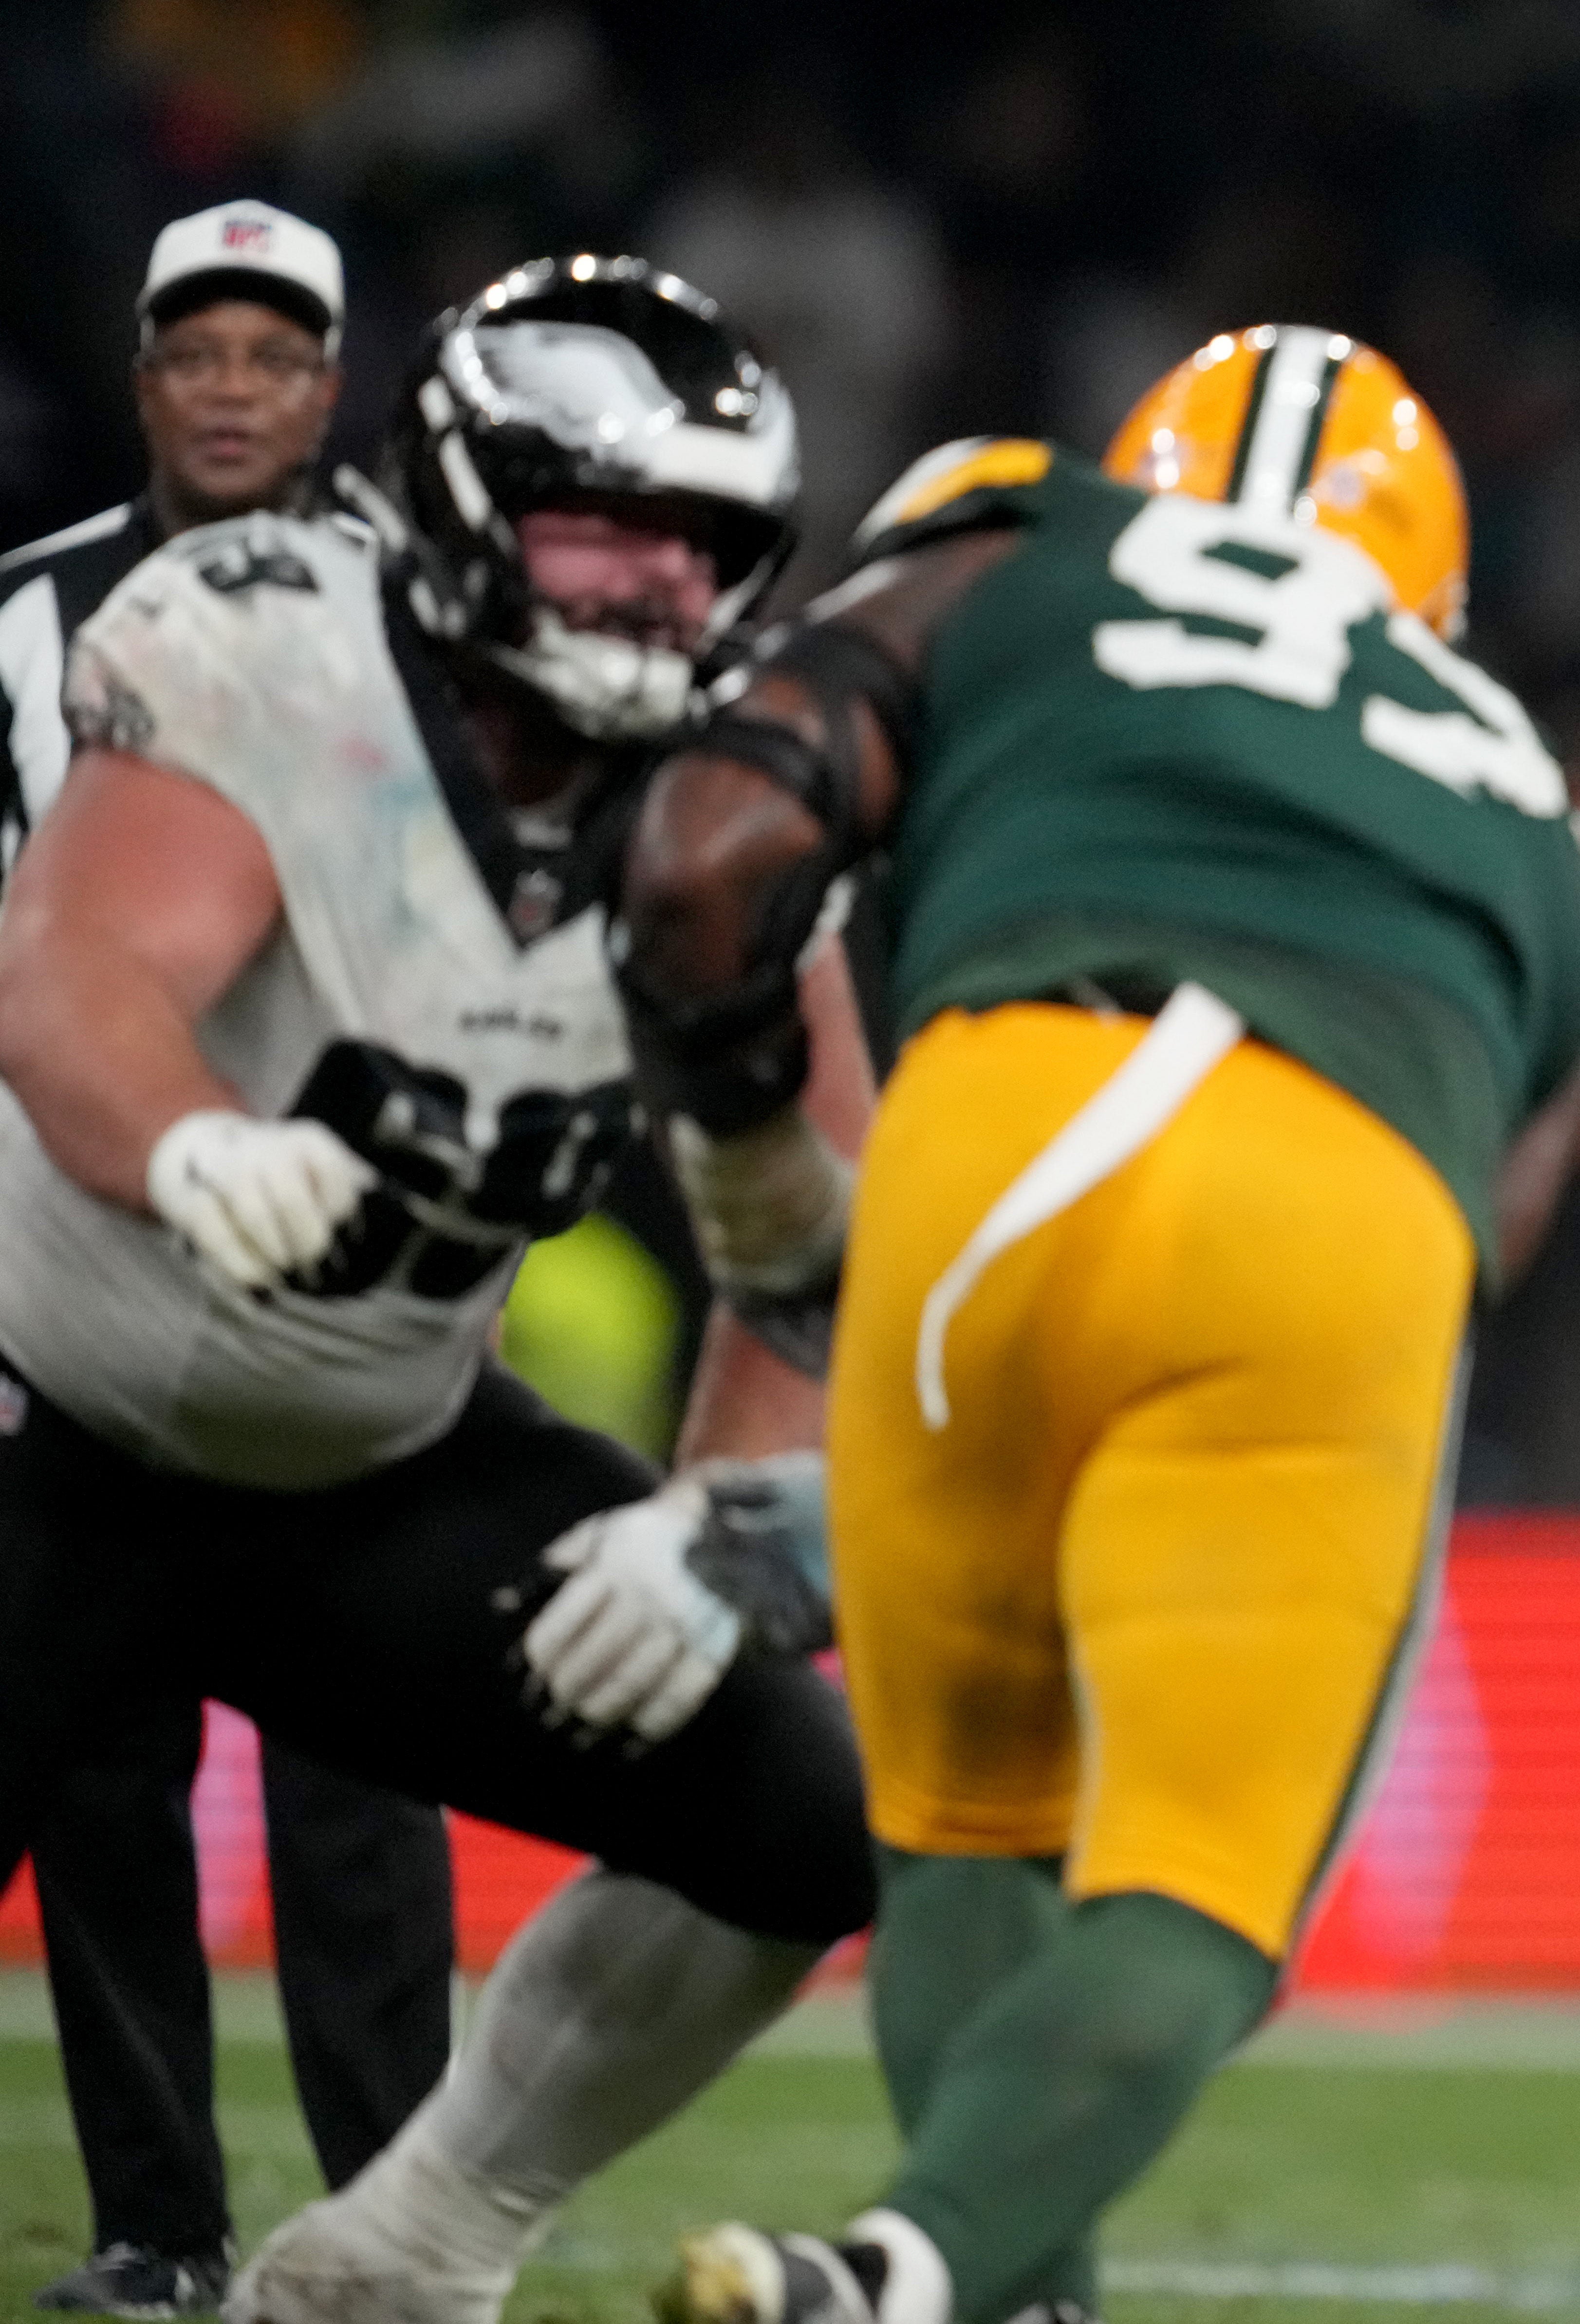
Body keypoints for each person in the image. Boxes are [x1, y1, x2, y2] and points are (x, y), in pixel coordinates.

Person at [619, 326, 1580, 2324]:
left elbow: (711, 848)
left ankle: (989, 2295)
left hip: (978, 1132)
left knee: (958, 1826)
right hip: (1328, 1191)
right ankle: (902, 2272)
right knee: (1205, 1881)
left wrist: (747, 1171)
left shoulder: (1021, 542)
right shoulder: (1527, 793)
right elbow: (1493, 1224)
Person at [0, 255, 875, 2324]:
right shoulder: (271, 639)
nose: (659, 588)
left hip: (369, 1475)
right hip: (48, 1431)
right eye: (607, 527)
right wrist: (195, 1143)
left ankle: (416, 2240)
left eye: (703, 546)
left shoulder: (735, 804)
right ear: (475, 507)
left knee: (801, 1819)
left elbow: (819, 1237)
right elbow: (74, 973)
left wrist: (723, 1519)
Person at [0, 197, 459, 2321]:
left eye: (275, 356)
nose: (236, 390)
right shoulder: (21, 620)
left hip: (341, 1275)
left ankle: (394, 2226)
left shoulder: (432, 611)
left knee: (363, 1775)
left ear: (332, 385)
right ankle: (159, 2227)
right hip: (77, 1276)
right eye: (200, 352)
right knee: (103, 1769)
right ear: (144, 376)